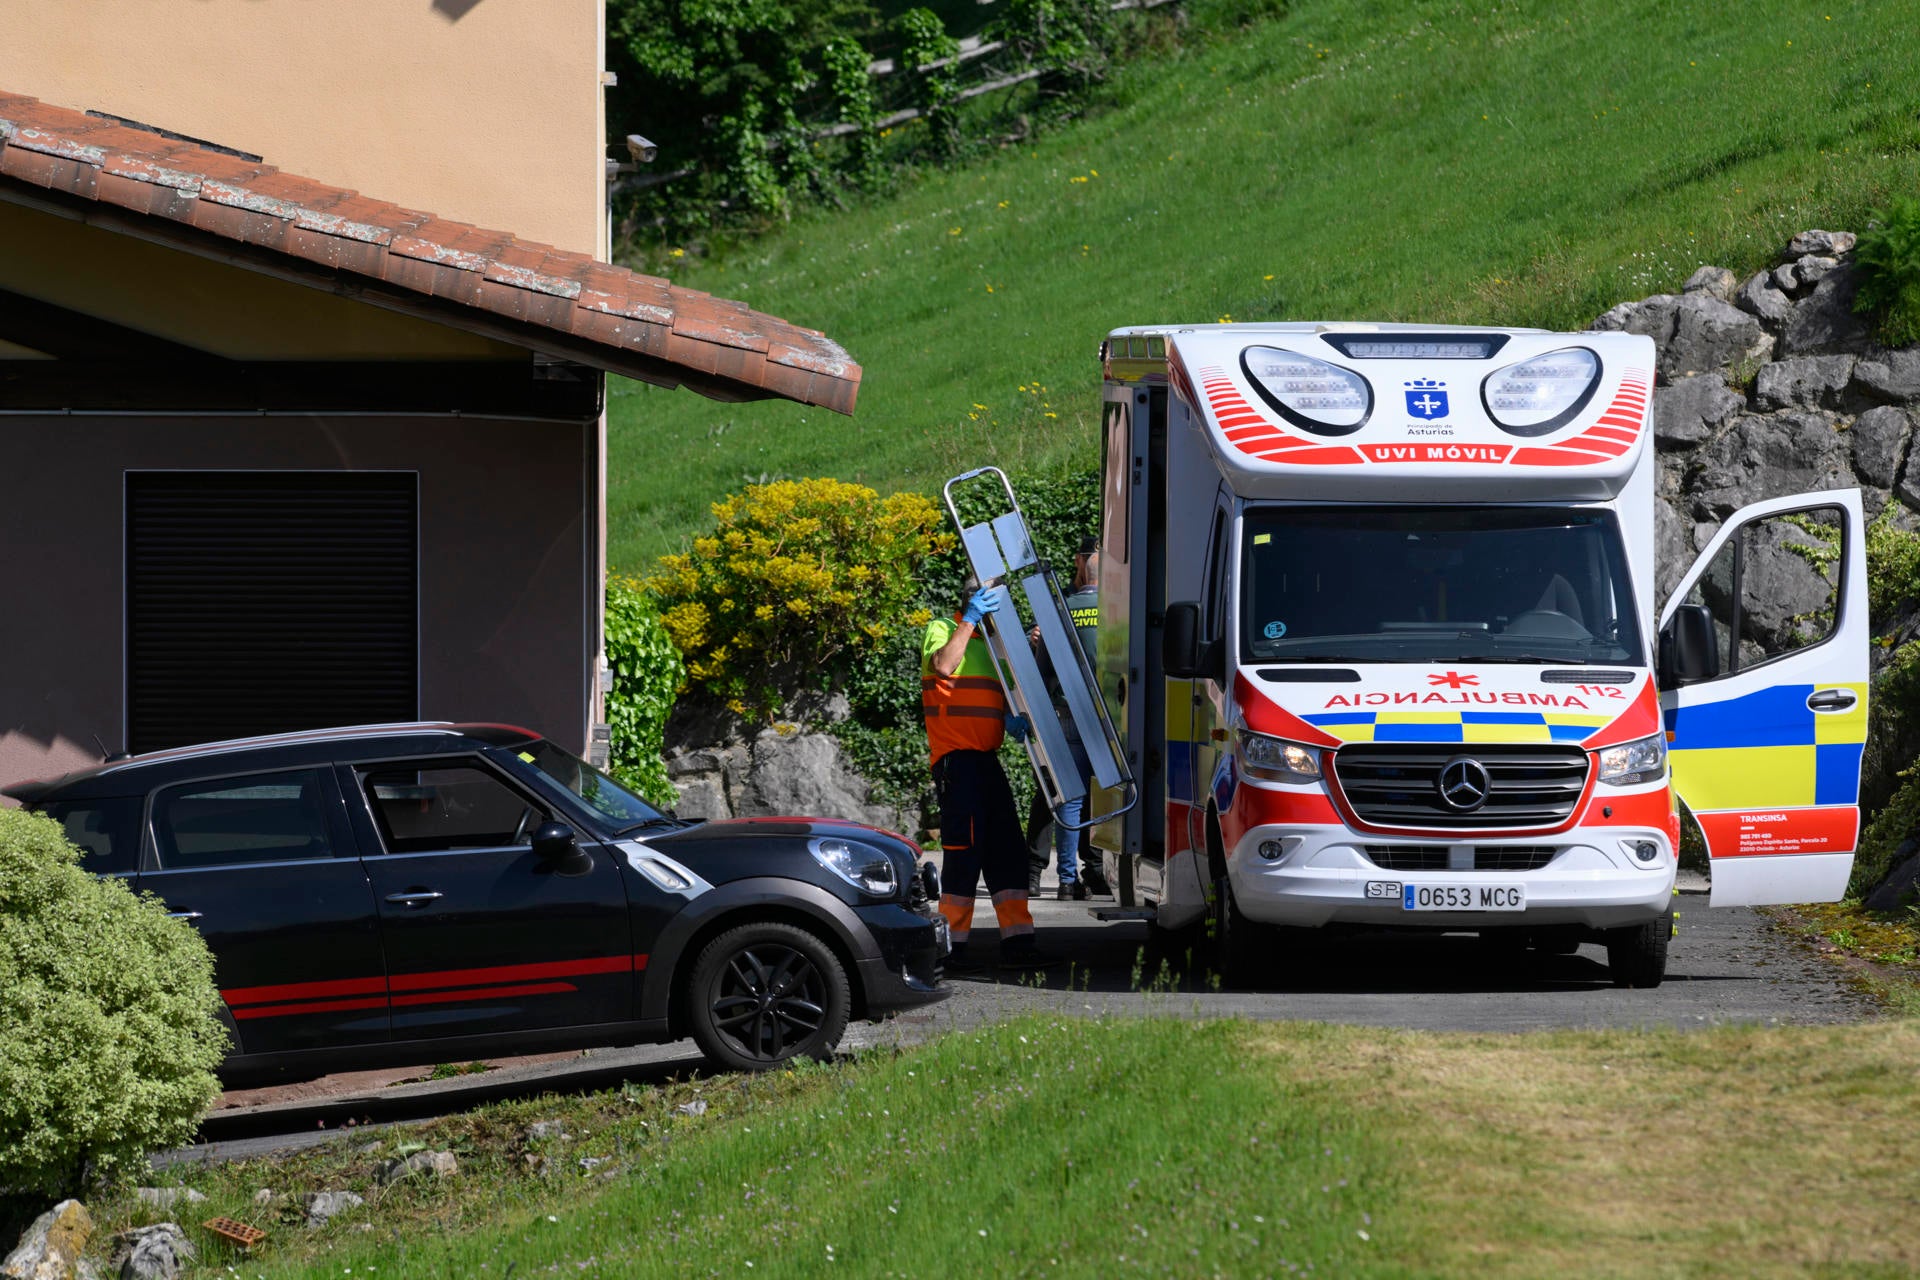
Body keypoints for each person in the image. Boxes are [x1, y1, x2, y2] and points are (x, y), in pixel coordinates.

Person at [924, 581, 1043, 969]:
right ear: (972, 599)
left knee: (1008, 852)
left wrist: (1008, 720)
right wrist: (970, 620)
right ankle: (950, 950)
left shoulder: (993, 649)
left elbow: (988, 700)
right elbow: (943, 665)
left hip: (986, 762)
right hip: (957, 763)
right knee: (963, 855)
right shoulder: (943, 628)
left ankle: (1019, 944)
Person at [1026, 539, 1112, 899]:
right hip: (1106, 716)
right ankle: (1102, 871)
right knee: (1109, 793)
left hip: (1064, 713)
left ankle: (1065, 880)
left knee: (1068, 799)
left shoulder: (1058, 611)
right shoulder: (1116, 610)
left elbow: (1041, 670)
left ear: (1080, 565)